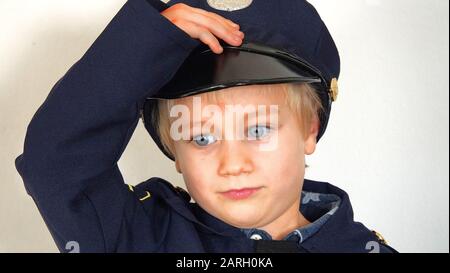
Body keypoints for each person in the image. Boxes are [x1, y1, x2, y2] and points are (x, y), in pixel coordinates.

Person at [15, 0, 397, 253]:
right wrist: (148, 41)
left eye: (258, 130)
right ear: (174, 151)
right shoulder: (140, 237)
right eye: (202, 137)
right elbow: (56, 163)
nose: (233, 164)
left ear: (310, 129)